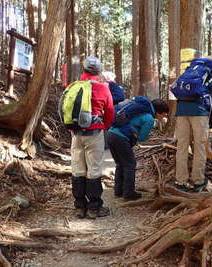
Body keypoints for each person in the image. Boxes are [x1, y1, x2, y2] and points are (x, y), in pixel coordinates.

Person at [174, 66, 212, 192]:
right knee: (200, 147)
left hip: (181, 112)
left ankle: (180, 181)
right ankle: (198, 181)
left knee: (182, 146)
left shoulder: (193, 74)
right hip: (200, 113)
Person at [71, 56, 115, 219]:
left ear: (83, 70)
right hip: (94, 133)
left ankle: (79, 206)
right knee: (94, 169)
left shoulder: (74, 86)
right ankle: (94, 207)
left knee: (78, 169)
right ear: (99, 71)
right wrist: (104, 126)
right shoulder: (103, 88)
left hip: (76, 134)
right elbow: (110, 112)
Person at [106, 98, 169, 200]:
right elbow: (142, 138)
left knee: (120, 164)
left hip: (110, 134)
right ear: (158, 112)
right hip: (121, 138)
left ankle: (119, 191)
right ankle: (128, 193)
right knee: (130, 164)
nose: (164, 117)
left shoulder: (140, 109)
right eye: (164, 114)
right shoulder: (149, 118)